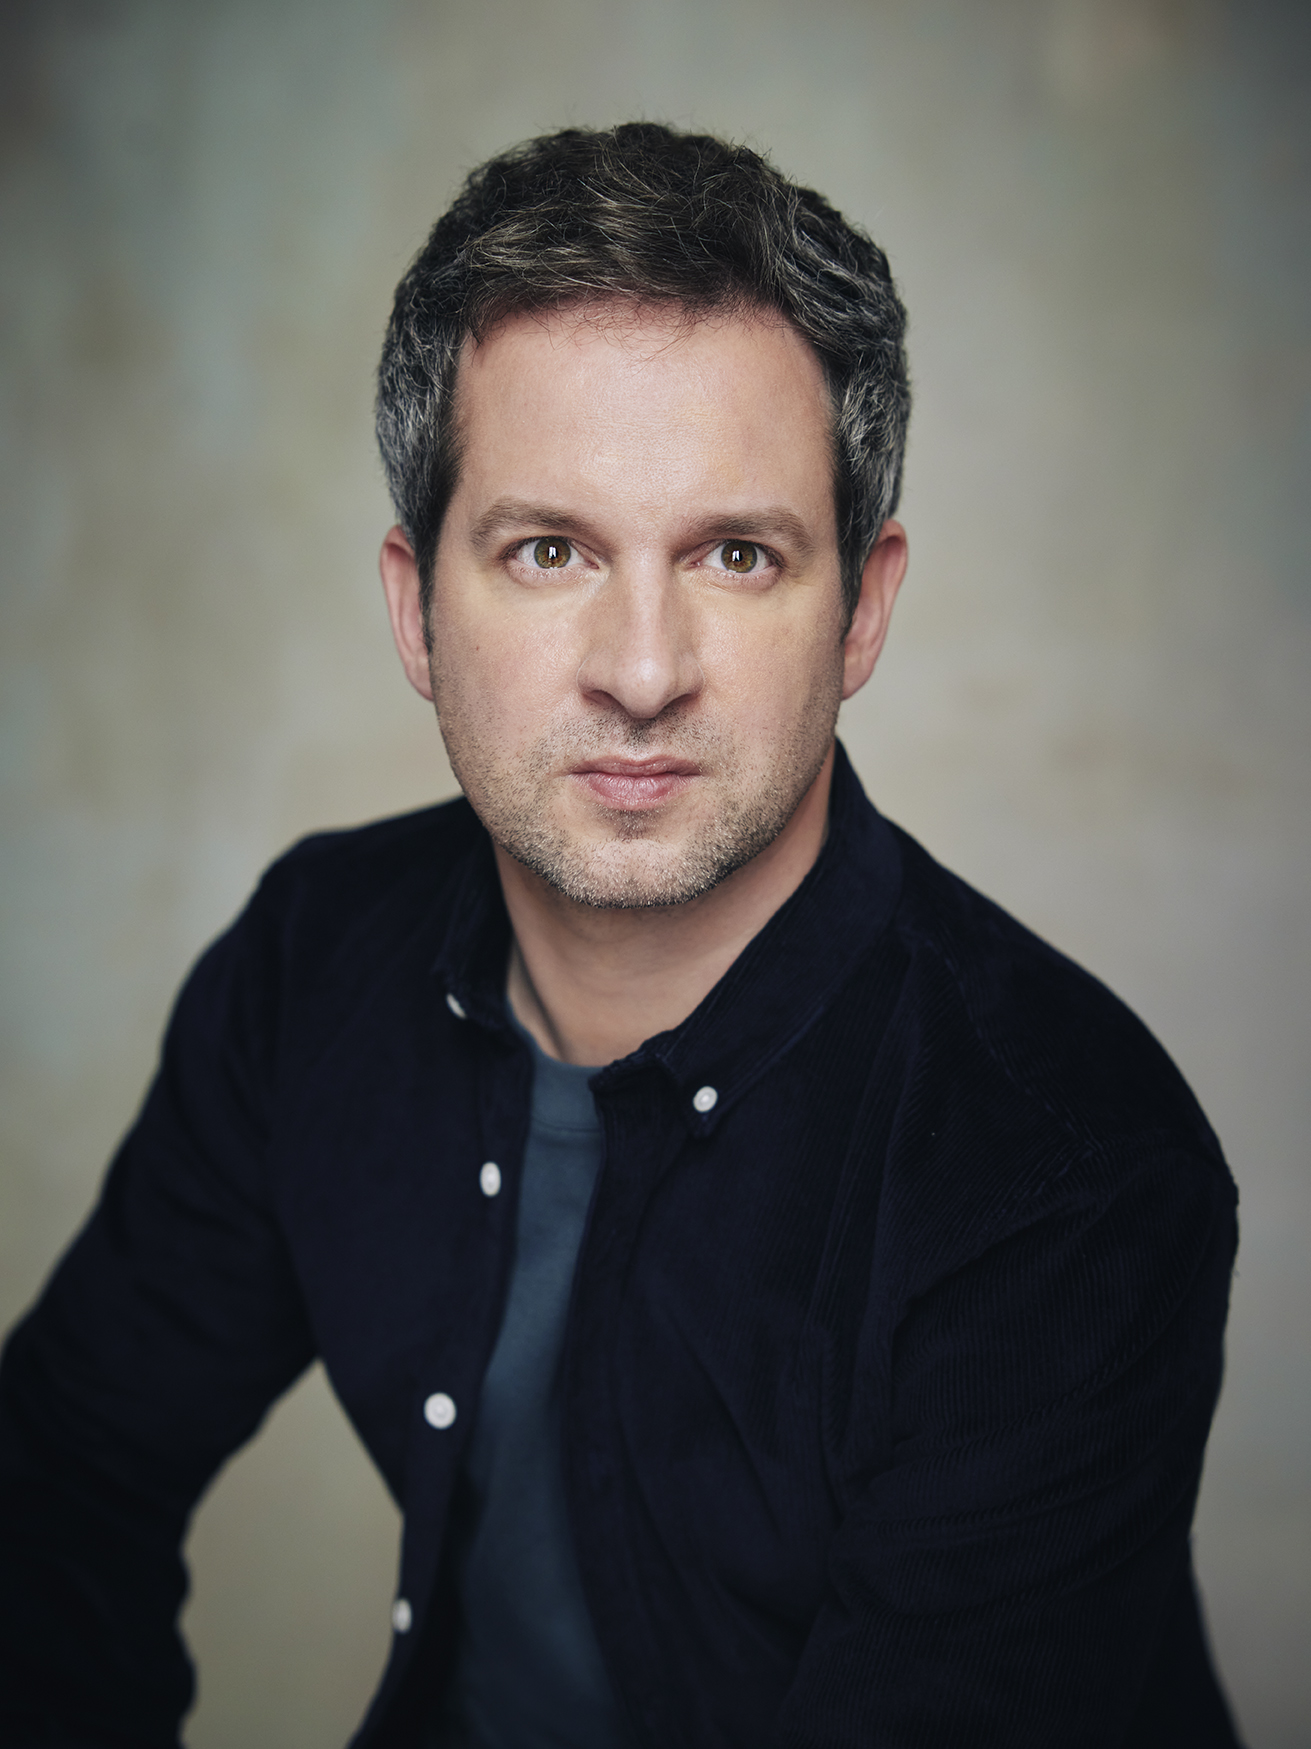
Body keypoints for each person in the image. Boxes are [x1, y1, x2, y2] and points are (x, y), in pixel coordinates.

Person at [0, 123, 1241, 1749]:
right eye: (549, 551)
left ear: (861, 609)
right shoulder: (319, 959)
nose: (643, 671)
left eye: (736, 554)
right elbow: (59, 1483)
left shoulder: (1065, 1168)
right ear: (414, 608)